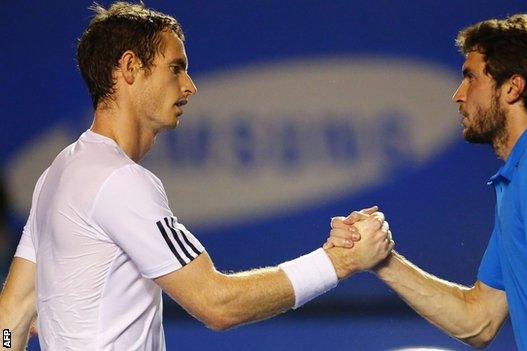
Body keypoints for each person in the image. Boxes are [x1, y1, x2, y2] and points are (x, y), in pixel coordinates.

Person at [0, 2, 394, 350]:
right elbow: (217, 303)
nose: (190, 86)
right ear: (130, 67)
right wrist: (335, 263)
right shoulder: (120, 181)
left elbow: (9, 320)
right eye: (176, 68)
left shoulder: (57, 174)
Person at [328, 14, 527, 350]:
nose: (458, 94)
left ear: (512, 88)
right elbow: (478, 320)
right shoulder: (523, 174)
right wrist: (381, 260)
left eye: (471, 77)